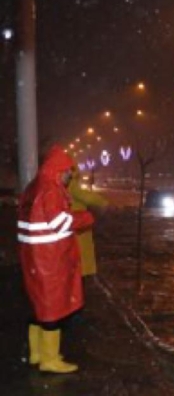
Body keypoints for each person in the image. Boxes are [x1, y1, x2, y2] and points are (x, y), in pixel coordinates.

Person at [17, 145, 94, 373]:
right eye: (67, 171)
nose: (68, 176)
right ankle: (49, 360)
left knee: (38, 306)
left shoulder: (33, 187)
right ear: (58, 169)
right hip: (50, 260)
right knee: (53, 309)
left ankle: (37, 353)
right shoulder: (50, 190)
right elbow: (60, 222)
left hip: (33, 257)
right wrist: (86, 217)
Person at [67, 166, 108, 278]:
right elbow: (95, 200)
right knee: (81, 259)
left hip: (75, 227)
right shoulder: (73, 188)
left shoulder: (66, 187)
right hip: (79, 227)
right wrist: (101, 206)